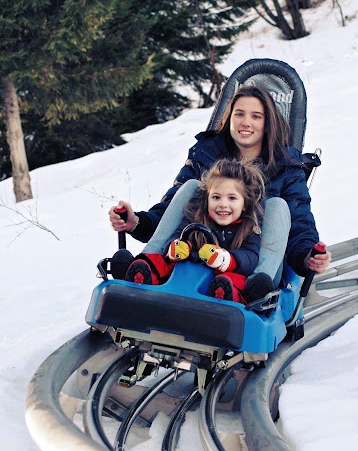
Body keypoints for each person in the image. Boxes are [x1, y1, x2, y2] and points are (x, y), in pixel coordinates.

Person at [109, 85, 331, 297]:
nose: (246, 122)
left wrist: (307, 256)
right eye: (239, 114)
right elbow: (172, 210)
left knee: (276, 205)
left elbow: (299, 221)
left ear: (267, 123)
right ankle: (146, 264)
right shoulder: (206, 154)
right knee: (192, 187)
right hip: (197, 256)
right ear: (229, 118)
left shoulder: (286, 168)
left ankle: (256, 290)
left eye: (256, 116)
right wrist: (137, 222)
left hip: (250, 269)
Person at [124, 158, 270, 304]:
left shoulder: (248, 226)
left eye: (232, 198)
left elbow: (251, 256)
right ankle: (142, 276)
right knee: (159, 261)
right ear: (207, 199)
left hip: (222, 274)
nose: (223, 204)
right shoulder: (196, 215)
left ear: (244, 204)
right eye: (216, 197)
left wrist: (226, 259)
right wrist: (175, 247)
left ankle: (224, 295)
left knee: (233, 280)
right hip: (186, 272)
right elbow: (177, 234)